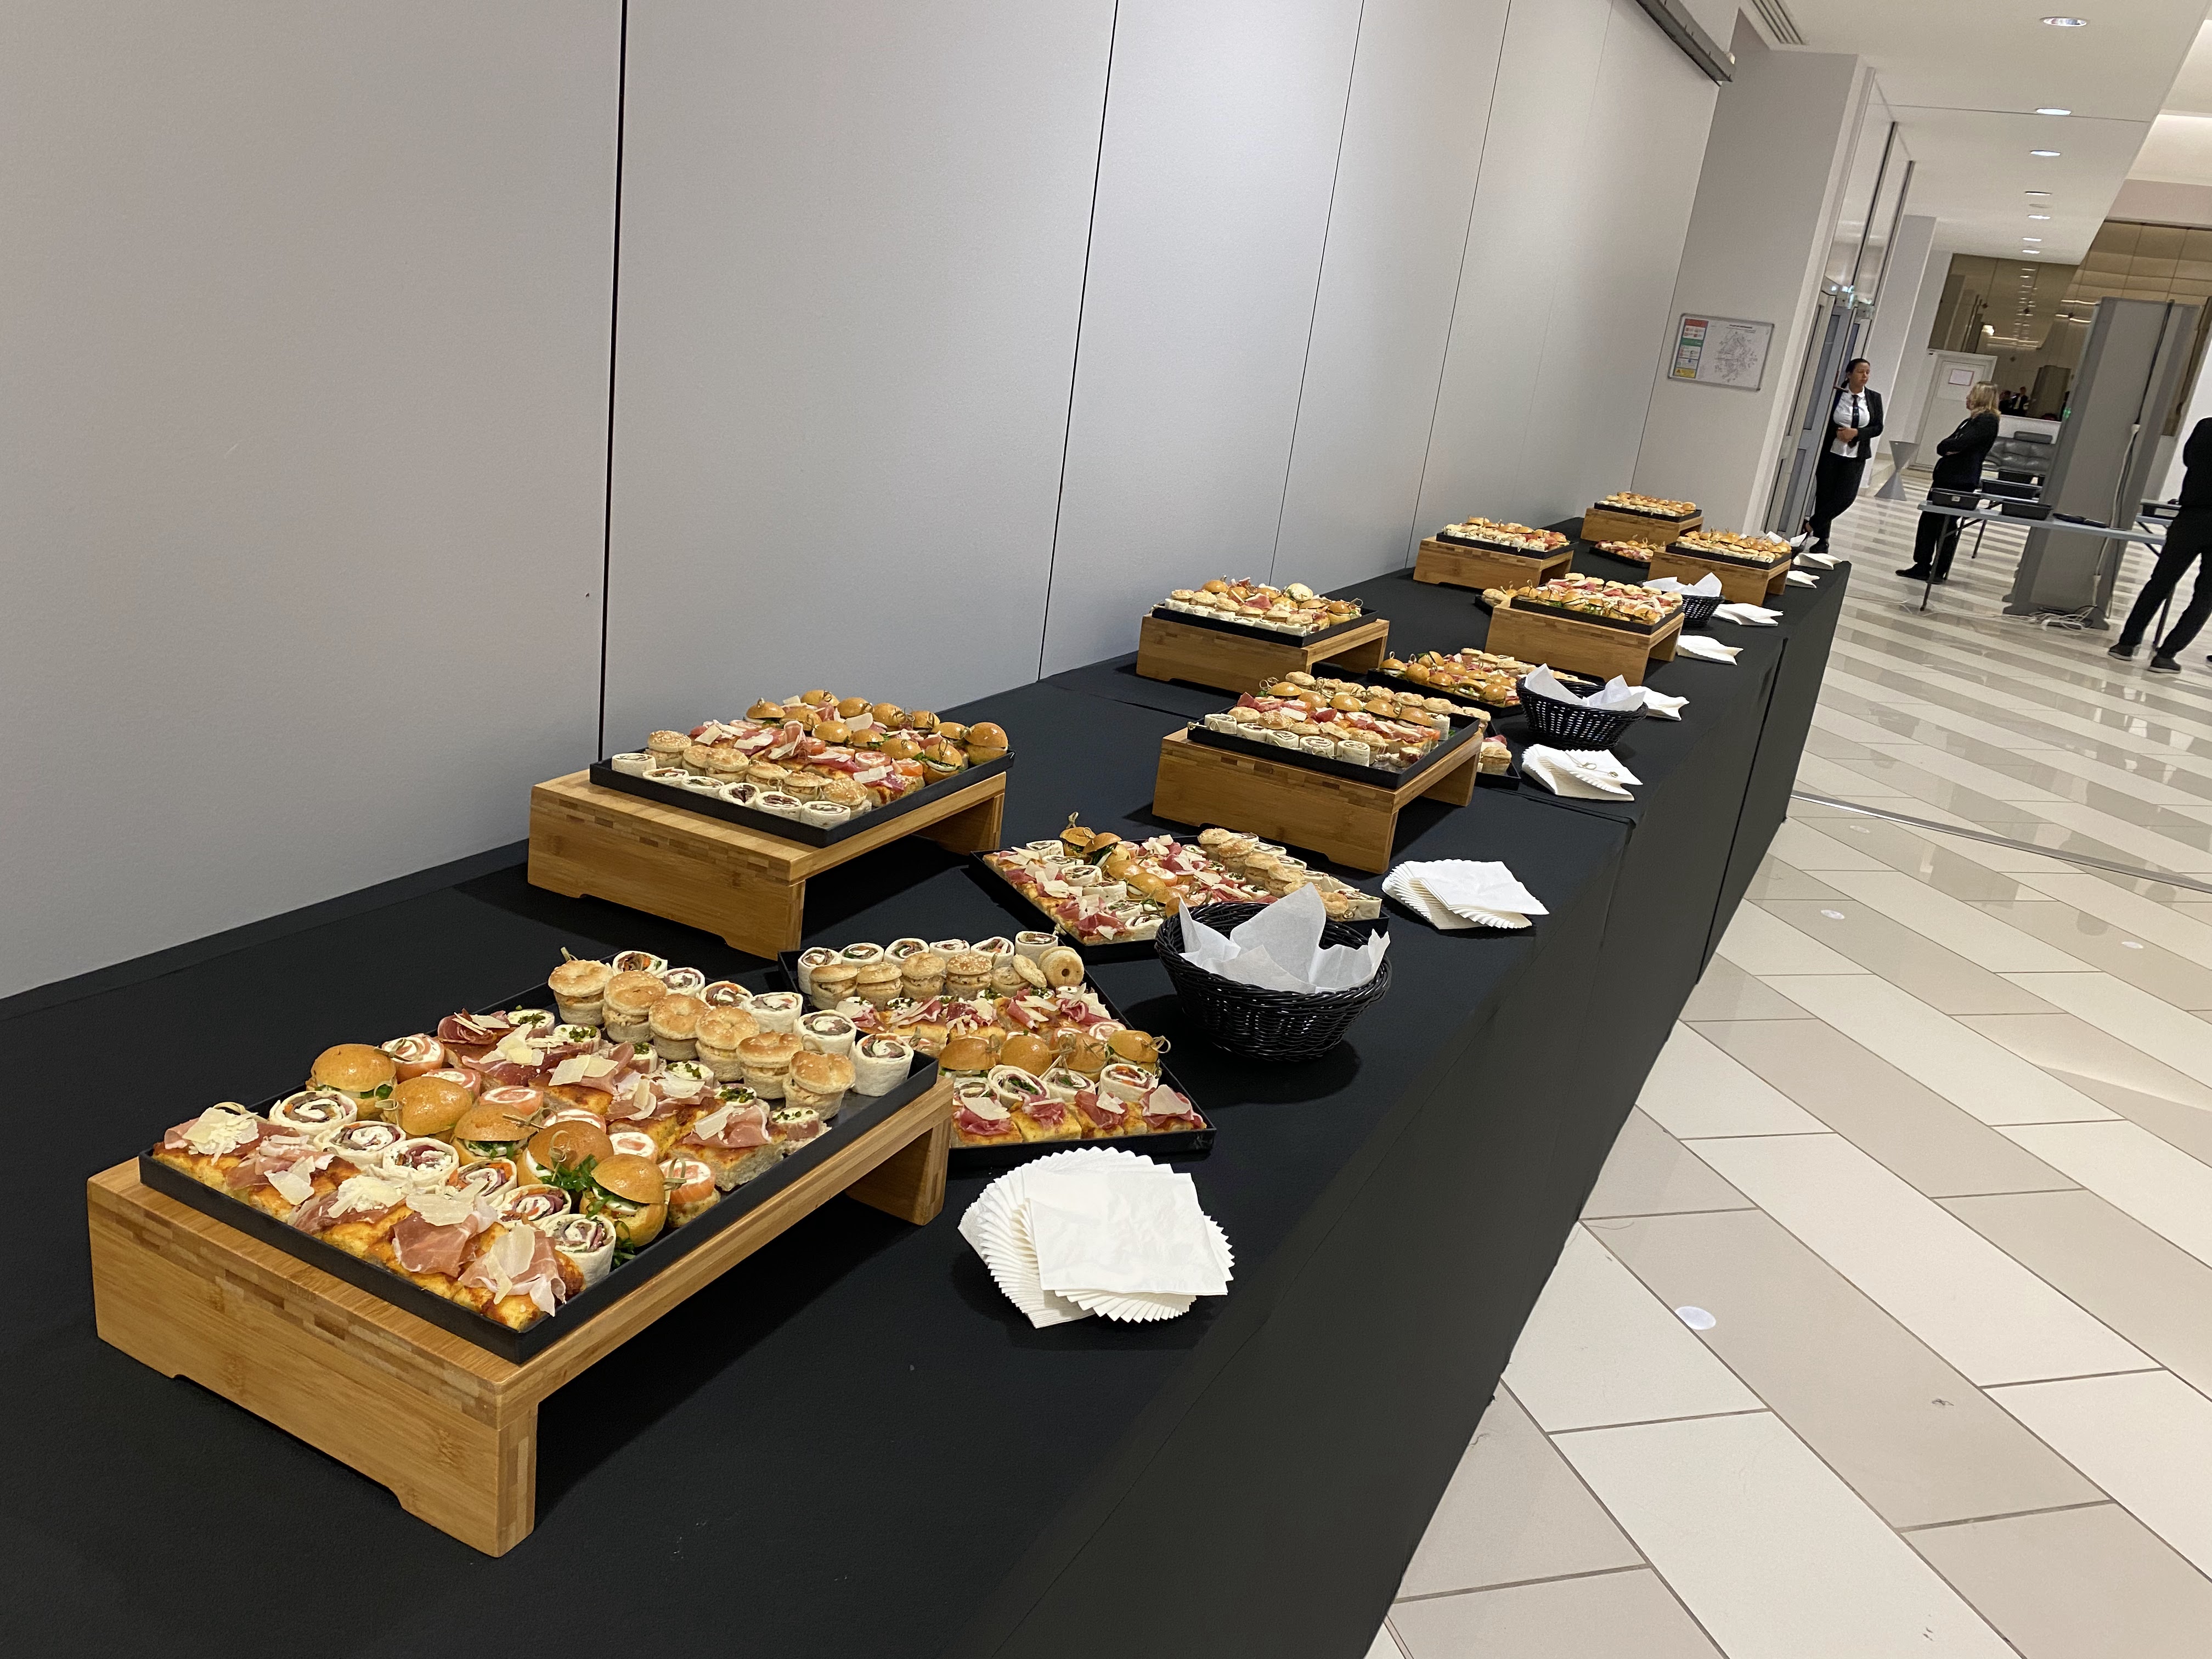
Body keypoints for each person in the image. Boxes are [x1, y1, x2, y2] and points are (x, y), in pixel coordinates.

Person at [2109, 415, 2212, 674]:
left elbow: (2189, 460)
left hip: (2190, 516)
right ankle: (2166, 655)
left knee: (2160, 582)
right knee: (2205, 596)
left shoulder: (2206, 426)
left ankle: (2126, 643)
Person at [1897, 382, 2000, 583]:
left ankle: (1938, 570)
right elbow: (1944, 446)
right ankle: (1922, 565)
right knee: (1929, 521)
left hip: (1960, 480)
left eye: (1972, 394)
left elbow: (1960, 444)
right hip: (1947, 478)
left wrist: (1953, 447)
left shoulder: (1987, 421)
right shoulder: (1970, 421)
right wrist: (1949, 447)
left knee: (1946, 525)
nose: (1967, 397)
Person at [1802, 358, 1883, 551]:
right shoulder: (1836, 395)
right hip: (1831, 453)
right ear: (1849, 374)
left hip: (1856, 456)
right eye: (1860, 372)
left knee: (1846, 497)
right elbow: (1823, 421)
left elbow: (1878, 427)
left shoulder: (1873, 398)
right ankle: (1822, 540)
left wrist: (1857, 433)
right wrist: (1837, 433)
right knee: (1825, 496)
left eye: (1868, 372)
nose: (1865, 376)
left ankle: (1809, 526)